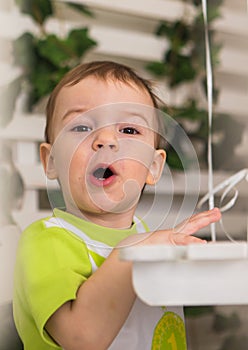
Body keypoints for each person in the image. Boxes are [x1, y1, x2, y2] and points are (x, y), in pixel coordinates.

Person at [13, 60, 221, 350]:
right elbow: (82, 338)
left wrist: (185, 254)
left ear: (154, 166)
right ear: (51, 161)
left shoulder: (149, 237)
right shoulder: (44, 242)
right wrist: (137, 250)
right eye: (82, 126)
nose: (106, 140)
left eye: (129, 130)